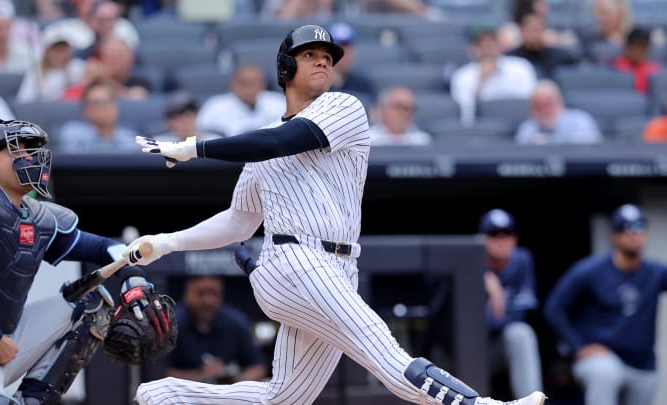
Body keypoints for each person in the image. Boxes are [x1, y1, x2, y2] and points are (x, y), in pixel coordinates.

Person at [124, 24, 546, 405]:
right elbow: (239, 220)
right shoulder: (262, 143)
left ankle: (165, 394)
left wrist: (198, 147)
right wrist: (167, 242)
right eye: (311, 56)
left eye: (328, 57)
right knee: (386, 356)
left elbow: (280, 142)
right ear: (286, 66)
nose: (323, 62)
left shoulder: (343, 108)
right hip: (295, 262)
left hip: (338, 267)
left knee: (284, 398)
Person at [0, 119, 161, 403]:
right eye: (18, 151)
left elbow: (104, 247)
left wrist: (134, 278)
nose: (31, 158)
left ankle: (32, 399)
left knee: (91, 304)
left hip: (4, 339)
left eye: (31, 152)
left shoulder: (37, 216)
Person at [544, 204, 666, 405]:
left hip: (642, 365)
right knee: (604, 372)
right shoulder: (590, 271)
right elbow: (554, 308)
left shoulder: (655, 272)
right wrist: (578, 345)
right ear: (614, 236)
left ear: (646, 232)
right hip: (602, 359)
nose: (633, 233)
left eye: (639, 226)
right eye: (625, 228)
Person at [478, 209, 543, 399]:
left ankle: (531, 402)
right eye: (493, 234)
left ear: (514, 238)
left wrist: (496, 299)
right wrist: (479, 277)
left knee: (521, 333)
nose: (500, 239)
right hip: (458, 354)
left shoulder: (522, 261)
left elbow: (517, 316)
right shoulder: (467, 262)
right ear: (481, 239)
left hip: (495, 349)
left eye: (506, 233)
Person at [168, 275, 267, 383]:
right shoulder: (171, 323)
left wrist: (237, 381)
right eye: (200, 294)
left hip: (227, 393)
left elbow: (258, 367)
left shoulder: (235, 321)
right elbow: (158, 372)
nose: (207, 301)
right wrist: (202, 375)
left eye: (214, 294)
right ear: (187, 295)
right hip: (182, 394)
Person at [450, 27, 537, 126]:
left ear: (500, 46)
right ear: (474, 50)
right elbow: (466, 116)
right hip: (483, 128)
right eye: (483, 46)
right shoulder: (462, 76)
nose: (489, 50)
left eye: (492, 44)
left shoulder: (521, 67)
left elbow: (530, 103)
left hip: (520, 126)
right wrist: (481, 80)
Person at [196, 64, 285, 138]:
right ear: (233, 84)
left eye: (255, 83)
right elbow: (202, 137)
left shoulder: (279, 103)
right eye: (244, 83)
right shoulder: (214, 107)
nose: (250, 88)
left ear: (263, 84)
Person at [58, 80, 138, 153]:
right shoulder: (73, 134)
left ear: (115, 107)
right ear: (86, 110)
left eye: (108, 101)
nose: (103, 108)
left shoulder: (129, 139)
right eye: (96, 103)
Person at [515, 80, 603, 145]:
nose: (544, 111)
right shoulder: (527, 128)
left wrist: (546, 142)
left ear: (560, 103)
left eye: (547, 105)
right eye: (537, 107)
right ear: (531, 110)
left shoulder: (580, 121)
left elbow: (586, 153)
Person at [15, 29, 86, 102]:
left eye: (62, 50)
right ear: (47, 51)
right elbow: (24, 100)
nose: (59, 54)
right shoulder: (36, 71)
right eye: (55, 49)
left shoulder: (78, 67)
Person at [506, 13, 580, 79]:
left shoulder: (553, 54)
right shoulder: (512, 57)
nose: (534, 35)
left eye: (537, 30)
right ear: (522, 31)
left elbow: (575, 58)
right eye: (529, 30)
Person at [327, 22, 376, 103]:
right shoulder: (317, 86)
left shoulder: (362, 84)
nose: (345, 54)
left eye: (348, 49)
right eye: (340, 49)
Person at [155, 91, 219, 142]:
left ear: (196, 116)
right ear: (168, 122)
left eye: (188, 116)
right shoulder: (160, 144)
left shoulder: (213, 141)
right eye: (178, 119)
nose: (185, 123)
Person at [613, 27, 661, 94]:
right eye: (636, 46)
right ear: (627, 47)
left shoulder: (654, 69)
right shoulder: (614, 67)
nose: (640, 51)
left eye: (644, 47)